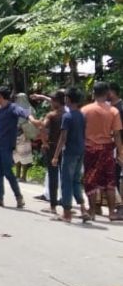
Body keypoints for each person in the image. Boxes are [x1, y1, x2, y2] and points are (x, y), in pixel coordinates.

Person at [0, 86, 40, 208]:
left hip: (5, 146)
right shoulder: (0, 108)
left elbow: (25, 113)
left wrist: (33, 120)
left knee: (8, 172)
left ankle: (18, 197)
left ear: (0, 96)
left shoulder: (13, 108)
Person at [80, 82, 123, 221]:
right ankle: (111, 213)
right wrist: (121, 153)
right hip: (107, 149)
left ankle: (92, 212)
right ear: (107, 93)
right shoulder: (113, 111)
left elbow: (80, 131)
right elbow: (116, 134)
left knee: (91, 180)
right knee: (110, 181)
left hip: (89, 148)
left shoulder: (85, 110)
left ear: (93, 92)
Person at [51, 88, 90, 223]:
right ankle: (83, 209)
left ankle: (67, 213)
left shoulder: (67, 117)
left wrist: (55, 156)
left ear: (68, 99)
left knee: (66, 182)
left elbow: (63, 138)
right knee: (76, 181)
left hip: (70, 152)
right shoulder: (82, 115)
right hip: (80, 151)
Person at [36, 91, 65, 214]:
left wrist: (44, 142)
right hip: (67, 148)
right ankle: (66, 204)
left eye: (52, 101)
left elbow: (42, 127)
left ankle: (53, 206)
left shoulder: (52, 115)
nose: (51, 103)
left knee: (53, 177)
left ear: (56, 101)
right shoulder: (69, 114)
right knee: (66, 177)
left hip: (53, 147)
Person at [12, 93, 37, 181]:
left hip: (19, 134)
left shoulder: (14, 109)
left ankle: (21, 176)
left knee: (20, 155)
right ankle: (20, 176)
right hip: (24, 135)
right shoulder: (31, 109)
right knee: (21, 155)